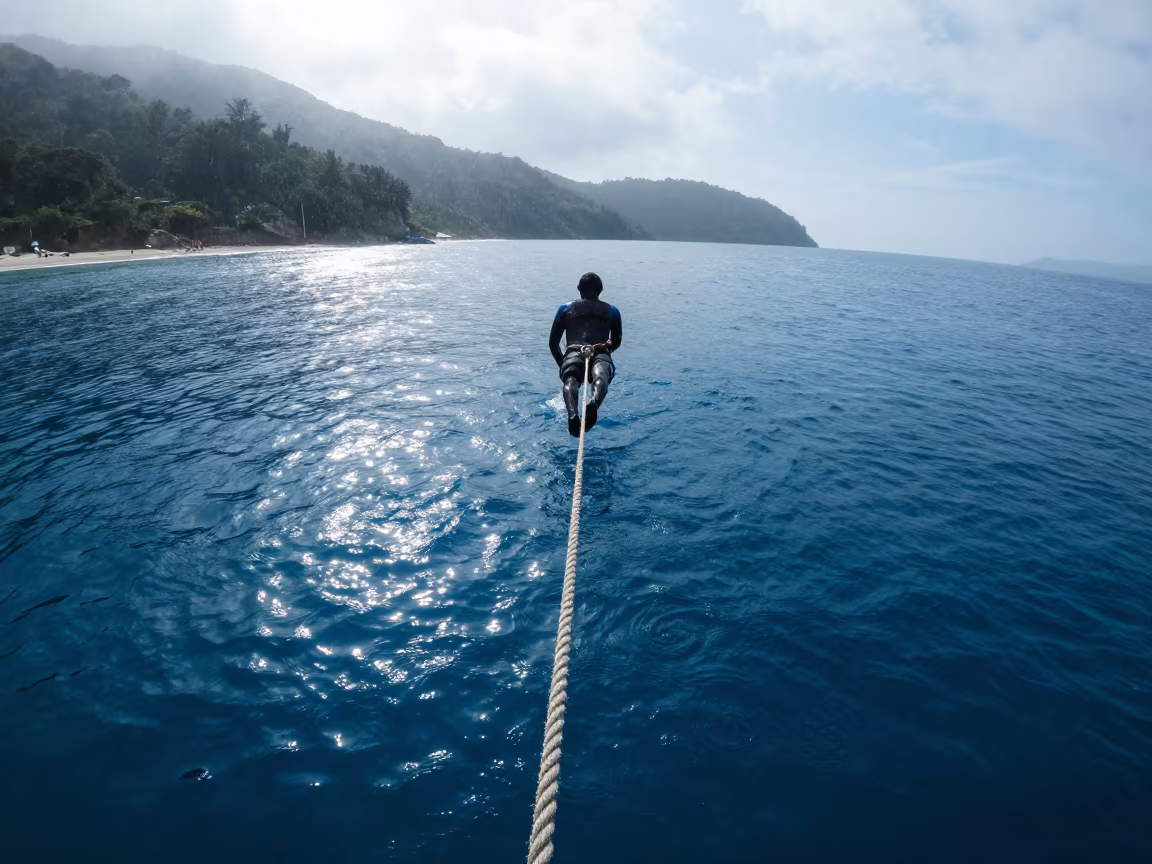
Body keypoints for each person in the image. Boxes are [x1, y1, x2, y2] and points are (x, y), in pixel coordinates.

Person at [549, 272, 623, 437]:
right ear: (600, 290)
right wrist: (603, 347)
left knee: (570, 379)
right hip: (601, 352)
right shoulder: (612, 311)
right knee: (601, 376)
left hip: (574, 351)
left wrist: (564, 367)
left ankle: (573, 413)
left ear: (579, 289)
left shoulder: (565, 309)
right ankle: (594, 402)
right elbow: (616, 341)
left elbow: (553, 343)